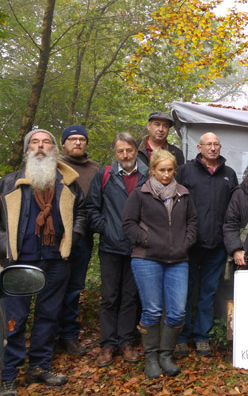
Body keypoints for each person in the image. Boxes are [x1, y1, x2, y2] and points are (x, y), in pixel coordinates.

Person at [0, 129, 87, 394]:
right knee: (14, 319)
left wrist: (72, 238)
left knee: (49, 316)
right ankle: (8, 374)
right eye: (35, 142)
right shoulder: (8, 182)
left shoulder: (67, 182)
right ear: (27, 149)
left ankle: (39, 366)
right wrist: (5, 246)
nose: (40, 146)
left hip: (56, 259)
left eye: (46, 142)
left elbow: (82, 213)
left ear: (54, 150)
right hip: (18, 261)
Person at [122, 150, 198, 378]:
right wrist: (147, 240)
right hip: (147, 259)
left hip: (178, 260)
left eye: (170, 170)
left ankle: (166, 355)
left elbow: (192, 221)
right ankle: (151, 358)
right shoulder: (140, 194)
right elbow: (128, 223)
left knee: (177, 312)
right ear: (153, 170)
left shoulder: (184, 194)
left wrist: (186, 243)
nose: (166, 174)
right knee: (153, 310)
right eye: (161, 170)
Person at [86, 132, 147, 367]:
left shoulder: (146, 174)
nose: (125, 155)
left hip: (138, 248)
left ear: (135, 149)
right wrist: (105, 228)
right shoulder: (105, 175)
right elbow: (92, 207)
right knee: (110, 297)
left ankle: (125, 342)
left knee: (130, 297)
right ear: (115, 152)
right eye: (120, 151)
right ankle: (107, 345)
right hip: (111, 247)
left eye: (129, 150)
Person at [174, 133, 238, 358]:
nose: (212, 148)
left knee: (208, 292)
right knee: (184, 292)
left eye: (216, 144)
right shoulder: (185, 171)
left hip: (217, 246)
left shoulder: (229, 175)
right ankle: (181, 337)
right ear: (199, 147)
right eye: (208, 144)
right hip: (190, 245)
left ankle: (202, 336)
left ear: (220, 147)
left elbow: (234, 211)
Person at [56, 125, 99, 356]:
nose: (77, 143)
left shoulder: (95, 169)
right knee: (53, 286)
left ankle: (69, 335)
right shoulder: (54, 166)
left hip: (83, 237)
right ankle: (49, 334)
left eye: (82, 139)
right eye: (72, 139)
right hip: (54, 237)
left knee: (74, 288)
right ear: (64, 143)